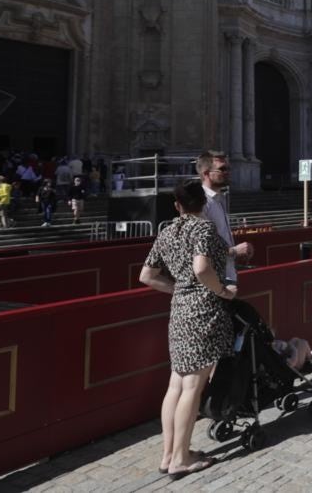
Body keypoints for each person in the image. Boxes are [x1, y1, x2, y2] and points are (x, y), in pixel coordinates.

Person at [139, 180, 233, 480]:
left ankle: (168, 455)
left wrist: (178, 289)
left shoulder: (166, 232)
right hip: (203, 311)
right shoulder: (204, 229)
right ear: (202, 204)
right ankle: (181, 458)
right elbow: (202, 268)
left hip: (179, 311)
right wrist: (221, 291)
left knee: (176, 385)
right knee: (192, 387)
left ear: (177, 205)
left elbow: (147, 276)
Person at [197, 150, 254, 286]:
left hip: (226, 274)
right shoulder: (200, 202)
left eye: (228, 168)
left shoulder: (219, 199)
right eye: (222, 169)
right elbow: (200, 247)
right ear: (206, 173)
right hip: (212, 280)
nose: (227, 172)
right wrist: (234, 251)